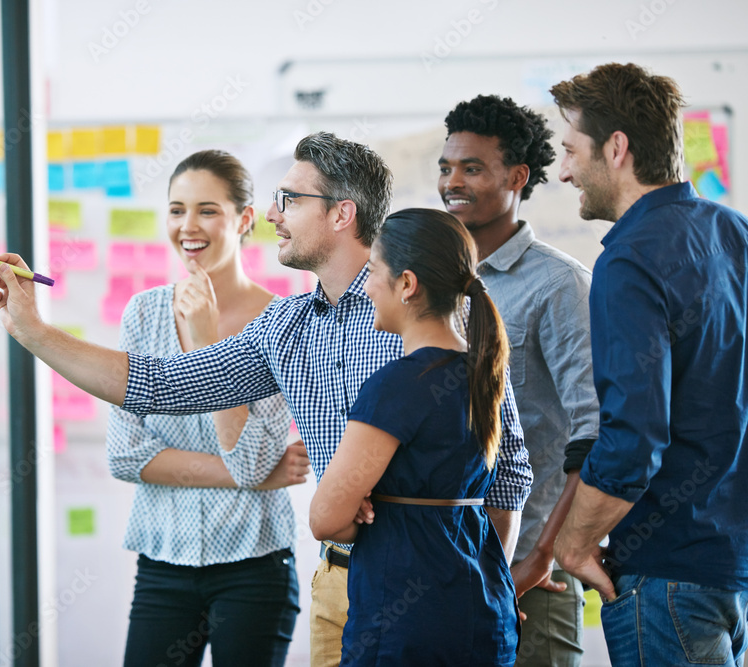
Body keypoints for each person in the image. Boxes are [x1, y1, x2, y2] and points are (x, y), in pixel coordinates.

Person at [0, 132, 531, 667]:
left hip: (436, 590)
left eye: (289, 199)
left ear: (341, 214)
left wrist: (490, 579)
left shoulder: (423, 311)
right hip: (338, 583)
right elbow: (159, 384)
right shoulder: (285, 325)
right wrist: (33, 330)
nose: (272, 214)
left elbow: (507, 468)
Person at [549, 62, 748, 667]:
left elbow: (634, 438)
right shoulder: (735, 233)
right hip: (731, 569)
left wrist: (573, 543)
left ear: (616, 148)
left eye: (570, 151)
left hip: (667, 576)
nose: (563, 171)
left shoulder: (629, 259)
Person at [106, 150, 307, 666]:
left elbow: (251, 461)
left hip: (255, 566)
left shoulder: (281, 322)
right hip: (162, 562)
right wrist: (254, 476)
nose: (188, 226)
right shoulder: (143, 313)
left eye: (207, 210)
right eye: (177, 210)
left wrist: (205, 343)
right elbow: (125, 455)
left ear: (243, 219)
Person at [309, 208, 518, 665]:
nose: (367, 288)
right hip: (484, 612)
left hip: (405, 625)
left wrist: (362, 508)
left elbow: (325, 520)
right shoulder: (484, 374)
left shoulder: (395, 385)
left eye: (373, 273)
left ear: (407, 284)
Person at [438, 95, 600, 666]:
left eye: (472, 168)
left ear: (517, 177)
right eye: (446, 167)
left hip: (529, 573)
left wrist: (542, 557)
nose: (452, 183)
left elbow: (595, 433)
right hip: (443, 569)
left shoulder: (559, 286)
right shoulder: (431, 283)